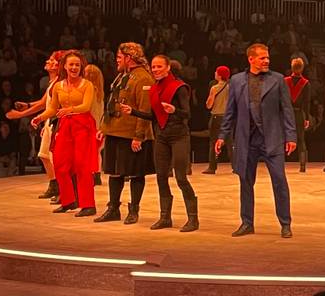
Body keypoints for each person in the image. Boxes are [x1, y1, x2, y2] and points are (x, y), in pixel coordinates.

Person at [215, 43, 297, 238]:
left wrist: (291, 136)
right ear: (251, 59)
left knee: (279, 181)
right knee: (245, 182)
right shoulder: (236, 81)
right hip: (247, 139)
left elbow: (287, 109)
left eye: (267, 57)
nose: (267, 60)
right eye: (262, 58)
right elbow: (230, 112)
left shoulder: (277, 80)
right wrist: (221, 136)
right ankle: (247, 222)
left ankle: (285, 224)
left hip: (272, 139)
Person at [120, 55, 199, 232]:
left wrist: (174, 110)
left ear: (168, 68)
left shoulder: (179, 87)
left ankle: (193, 219)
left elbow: (187, 114)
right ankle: (165, 218)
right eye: (153, 67)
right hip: (161, 136)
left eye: (159, 67)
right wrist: (133, 112)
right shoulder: (154, 89)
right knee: (161, 177)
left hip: (179, 135)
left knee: (180, 178)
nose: (155, 70)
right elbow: (154, 117)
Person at [94, 43, 156, 225]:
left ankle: (133, 210)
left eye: (119, 57)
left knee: (136, 174)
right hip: (115, 131)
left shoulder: (143, 78)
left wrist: (139, 136)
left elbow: (144, 109)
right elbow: (112, 104)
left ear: (129, 58)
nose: (117, 61)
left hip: (131, 135)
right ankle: (113, 208)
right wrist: (104, 129)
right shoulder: (123, 76)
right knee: (114, 173)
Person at [31, 50, 98, 217]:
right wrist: (40, 118)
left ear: (81, 66)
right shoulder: (58, 86)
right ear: (65, 67)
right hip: (65, 126)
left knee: (82, 166)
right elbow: (52, 109)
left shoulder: (87, 85)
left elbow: (86, 106)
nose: (74, 67)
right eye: (71, 64)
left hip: (83, 125)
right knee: (60, 164)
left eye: (77, 64)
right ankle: (68, 200)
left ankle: (88, 205)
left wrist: (69, 110)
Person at [5, 51, 64, 200]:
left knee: (53, 157)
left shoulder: (58, 83)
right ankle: (54, 185)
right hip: (49, 121)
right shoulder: (53, 82)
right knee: (44, 155)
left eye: (51, 60)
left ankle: (62, 189)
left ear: (58, 65)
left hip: (55, 122)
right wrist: (28, 105)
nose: (47, 62)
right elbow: (44, 102)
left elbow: (50, 107)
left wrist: (20, 115)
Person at [203, 65, 232, 174]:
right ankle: (236, 166)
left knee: (214, 142)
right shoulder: (231, 87)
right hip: (228, 117)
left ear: (219, 75)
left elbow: (209, 105)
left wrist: (211, 98)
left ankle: (212, 167)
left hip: (216, 117)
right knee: (231, 143)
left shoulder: (214, 88)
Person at [284, 58, 311, 173]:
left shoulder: (285, 81)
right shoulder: (306, 83)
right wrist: (307, 118)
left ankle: (279, 164)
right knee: (301, 140)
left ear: (292, 67)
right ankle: (302, 166)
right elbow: (307, 103)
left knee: (283, 138)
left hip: (287, 114)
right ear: (302, 68)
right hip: (299, 113)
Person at [84, 64, 105, 186]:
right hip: (99, 125)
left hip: (89, 124)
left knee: (89, 152)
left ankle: (92, 174)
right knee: (96, 152)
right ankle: (96, 175)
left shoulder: (89, 89)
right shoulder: (100, 92)